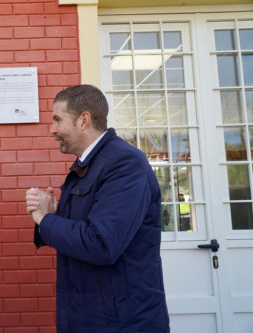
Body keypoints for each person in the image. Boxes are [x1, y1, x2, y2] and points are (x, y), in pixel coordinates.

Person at [25, 85, 170, 333]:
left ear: (84, 120)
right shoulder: (90, 165)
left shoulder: (124, 163)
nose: (52, 129)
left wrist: (45, 219)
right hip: (91, 316)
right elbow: (87, 230)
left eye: (58, 120)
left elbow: (102, 244)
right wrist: (56, 214)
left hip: (122, 323)